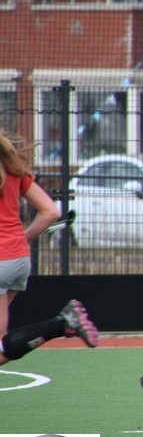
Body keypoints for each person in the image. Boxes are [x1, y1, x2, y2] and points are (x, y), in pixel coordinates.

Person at [0, 130, 98, 366]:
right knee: (2, 344)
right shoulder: (13, 167)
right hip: (18, 259)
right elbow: (50, 212)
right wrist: (22, 238)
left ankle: (61, 323)